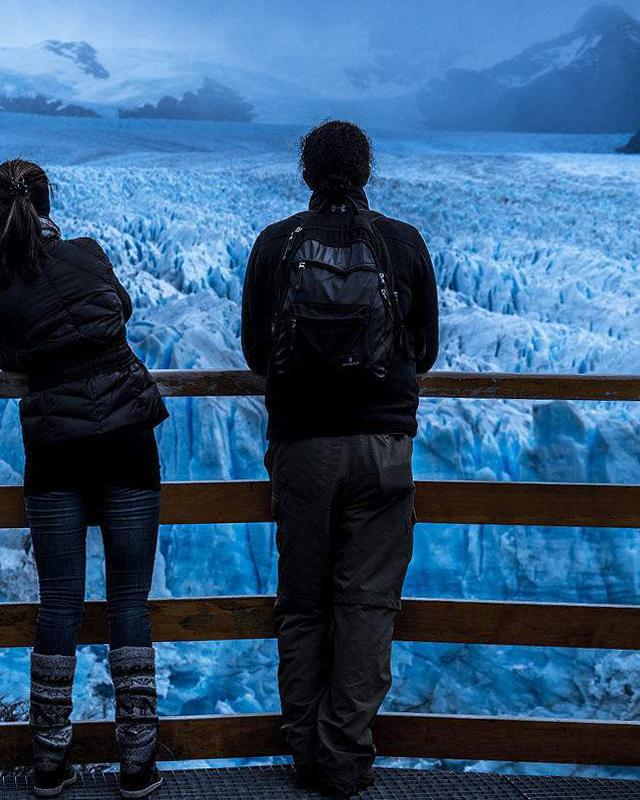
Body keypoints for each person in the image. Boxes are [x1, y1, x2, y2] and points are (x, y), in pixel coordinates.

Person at [240, 121, 439, 797]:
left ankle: (303, 753)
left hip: (303, 448)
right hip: (384, 448)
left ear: (305, 171)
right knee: (366, 605)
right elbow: (426, 347)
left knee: (302, 607)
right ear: (367, 170)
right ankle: (345, 758)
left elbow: (255, 351)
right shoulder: (404, 243)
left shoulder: (276, 243)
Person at [0, 159, 169, 799]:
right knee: (129, 603)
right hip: (127, 442)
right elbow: (122, 310)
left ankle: (50, 764)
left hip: (57, 451)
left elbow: (12, 360)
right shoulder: (89, 253)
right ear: (50, 202)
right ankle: (137, 764)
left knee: (59, 602)